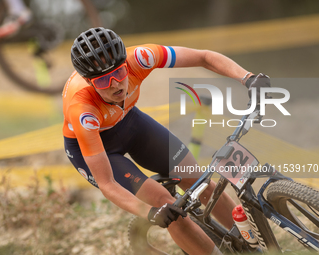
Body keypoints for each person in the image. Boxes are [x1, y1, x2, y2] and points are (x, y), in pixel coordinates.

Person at [63, 27, 270, 255]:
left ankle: (254, 247)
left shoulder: (141, 58)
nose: (115, 84)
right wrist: (149, 212)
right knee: (167, 207)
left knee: (197, 179)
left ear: (126, 64)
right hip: (95, 145)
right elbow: (108, 184)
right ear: (88, 81)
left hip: (128, 120)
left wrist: (247, 77)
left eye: (119, 73)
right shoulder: (83, 110)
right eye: (103, 81)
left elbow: (203, 57)